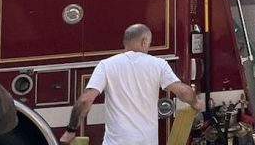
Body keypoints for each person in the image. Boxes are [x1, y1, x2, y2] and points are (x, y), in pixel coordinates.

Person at [59, 24, 204, 145]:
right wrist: (195, 103)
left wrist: (71, 130)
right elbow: (182, 91)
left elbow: (85, 100)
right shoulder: (158, 65)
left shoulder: (107, 65)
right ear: (144, 41)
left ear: (125, 42)